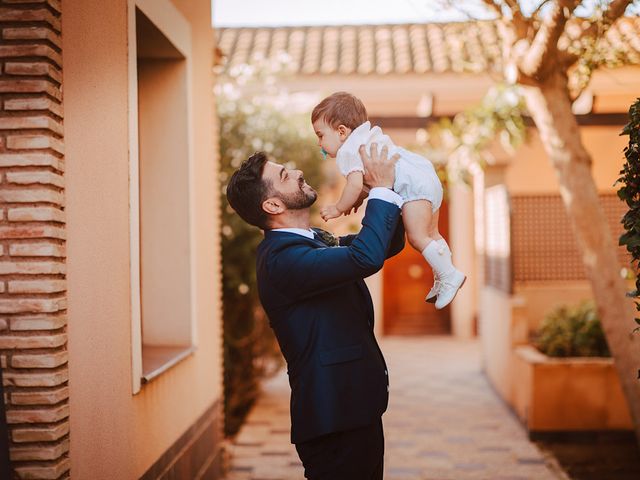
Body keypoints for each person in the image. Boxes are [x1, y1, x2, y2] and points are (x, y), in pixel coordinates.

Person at [226, 145, 405, 480]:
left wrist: (383, 191)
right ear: (273, 204)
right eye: (283, 175)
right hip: (333, 418)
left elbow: (385, 246)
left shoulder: (311, 242)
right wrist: (380, 191)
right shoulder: (281, 260)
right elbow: (364, 258)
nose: (296, 173)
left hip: (353, 408)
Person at [312, 91, 466, 309]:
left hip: (411, 187)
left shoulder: (348, 151)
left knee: (417, 237)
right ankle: (444, 275)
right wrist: (357, 199)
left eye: (320, 135)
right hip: (423, 176)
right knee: (432, 234)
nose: (319, 143)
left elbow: (355, 184)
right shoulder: (364, 138)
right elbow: (368, 184)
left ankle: (449, 275)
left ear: (342, 132)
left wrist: (338, 208)